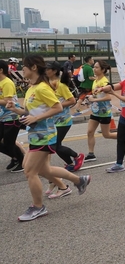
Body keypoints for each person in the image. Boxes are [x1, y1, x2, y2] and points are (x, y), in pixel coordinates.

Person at [8, 55, 90, 221]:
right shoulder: (32, 88)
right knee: (43, 170)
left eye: (24, 66)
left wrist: (36, 118)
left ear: (33, 68)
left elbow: (58, 107)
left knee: (30, 171)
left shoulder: (42, 88)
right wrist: (16, 110)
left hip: (45, 136)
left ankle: (38, 207)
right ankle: (79, 180)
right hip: (35, 136)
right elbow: (31, 113)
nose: (21, 69)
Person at [44, 62, 85, 197]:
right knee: (55, 146)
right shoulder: (46, 85)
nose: (45, 71)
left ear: (54, 71)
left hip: (63, 121)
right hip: (51, 121)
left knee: (55, 146)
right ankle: (70, 163)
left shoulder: (61, 85)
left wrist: (58, 105)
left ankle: (77, 156)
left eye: (48, 69)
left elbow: (72, 100)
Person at [84, 60, 117, 161]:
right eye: (94, 67)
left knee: (106, 135)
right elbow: (96, 95)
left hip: (104, 113)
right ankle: (91, 154)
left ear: (103, 70)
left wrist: (94, 100)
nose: (94, 69)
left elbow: (108, 97)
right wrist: (89, 98)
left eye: (96, 67)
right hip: (95, 112)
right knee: (90, 132)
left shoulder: (104, 82)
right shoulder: (95, 81)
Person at [0, 60, 25, 172]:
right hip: (2, 117)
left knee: (9, 142)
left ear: (1, 70)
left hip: (11, 116)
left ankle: (22, 161)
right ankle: (15, 158)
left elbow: (8, 101)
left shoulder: (7, 83)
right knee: (5, 143)